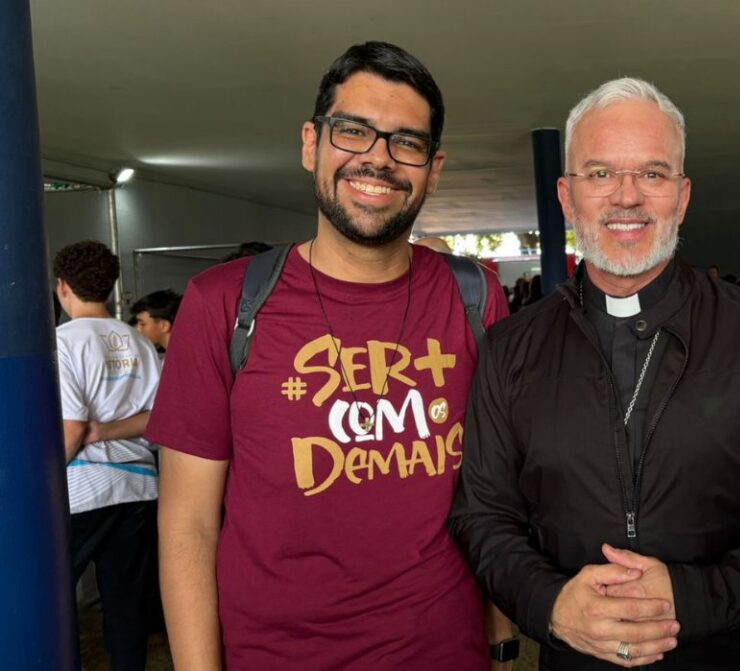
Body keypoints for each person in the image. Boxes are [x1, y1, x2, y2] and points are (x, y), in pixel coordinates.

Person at [449, 77, 740, 670]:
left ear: (682, 195)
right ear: (567, 197)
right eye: (600, 174)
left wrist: (693, 598)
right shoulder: (510, 348)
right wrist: (553, 604)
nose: (626, 197)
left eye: (652, 173)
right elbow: (482, 514)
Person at [144, 42, 510, 670]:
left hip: (445, 653)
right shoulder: (224, 303)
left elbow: (498, 489)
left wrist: (501, 641)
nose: (378, 159)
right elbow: (188, 525)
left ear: (434, 167)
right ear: (312, 143)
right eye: (353, 132)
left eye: (407, 142)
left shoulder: (474, 295)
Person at [54, 240, 162, 671]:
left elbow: (73, 428)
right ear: (112, 287)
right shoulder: (139, 342)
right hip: (138, 489)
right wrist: (108, 431)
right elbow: (159, 419)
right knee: (125, 603)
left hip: (83, 490)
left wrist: (38, 483)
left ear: (62, 287)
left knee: (53, 596)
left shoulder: (63, 342)